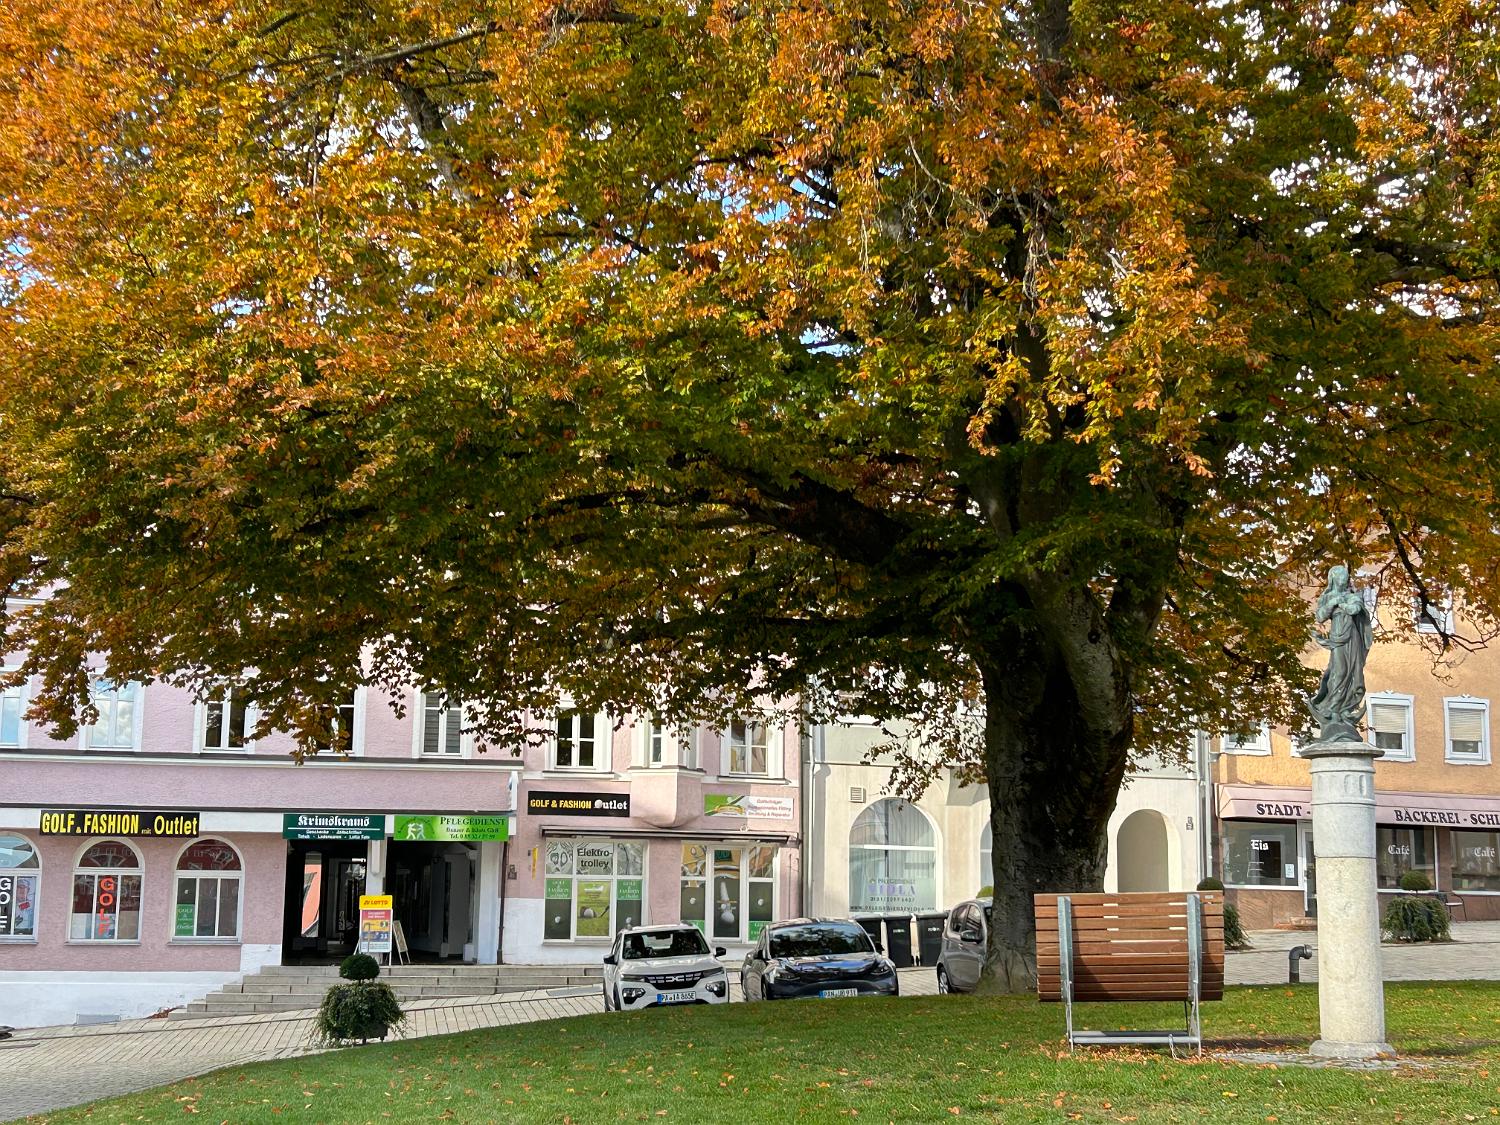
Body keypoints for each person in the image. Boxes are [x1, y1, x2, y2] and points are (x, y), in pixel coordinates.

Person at [1306, 564, 1374, 742]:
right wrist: (1332, 602)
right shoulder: (1327, 596)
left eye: (1346, 576)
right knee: (1339, 672)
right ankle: (1333, 709)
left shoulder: (1353, 596)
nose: (1344, 579)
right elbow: (1320, 616)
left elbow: (1355, 609)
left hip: (1353, 639)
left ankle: (1345, 710)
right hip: (1338, 638)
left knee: (1354, 674)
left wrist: (1341, 603)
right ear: (1334, 578)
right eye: (1341, 576)